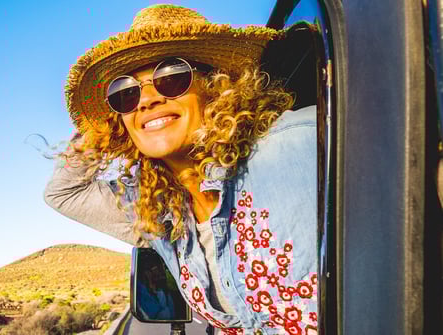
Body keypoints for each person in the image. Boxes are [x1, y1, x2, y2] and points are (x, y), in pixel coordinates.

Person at [44, 4, 317, 335]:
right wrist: (102, 122)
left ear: (217, 85)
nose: (146, 100)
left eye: (171, 77)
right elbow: (63, 192)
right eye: (127, 93)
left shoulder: (298, 144)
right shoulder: (160, 212)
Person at [136, 251, 177, 320]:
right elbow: (163, 316)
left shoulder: (165, 291)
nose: (159, 272)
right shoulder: (141, 291)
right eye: (153, 268)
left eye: (160, 267)